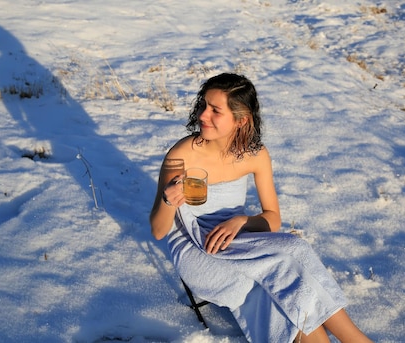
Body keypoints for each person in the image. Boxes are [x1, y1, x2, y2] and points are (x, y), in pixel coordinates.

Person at [150, 73, 373, 343]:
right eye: (203, 105)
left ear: (241, 119)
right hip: (194, 247)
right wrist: (168, 199)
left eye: (215, 110)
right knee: (274, 274)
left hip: (237, 238)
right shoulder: (182, 155)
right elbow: (159, 231)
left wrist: (241, 222)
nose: (202, 115)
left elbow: (273, 219)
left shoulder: (255, 155)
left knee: (288, 267)